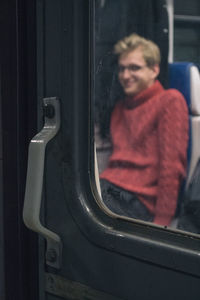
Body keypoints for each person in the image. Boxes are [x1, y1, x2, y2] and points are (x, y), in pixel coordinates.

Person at [100, 33, 189, 226]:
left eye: (134, 68)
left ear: (154, 69)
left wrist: (161, 225)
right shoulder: (120, 108)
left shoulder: (169, 101)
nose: (125, 75)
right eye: (122, 69)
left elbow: (171, 168)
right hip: (109, 189)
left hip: (138, 201)